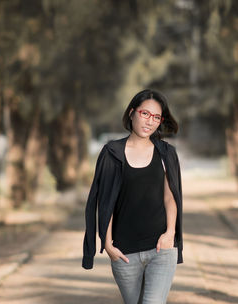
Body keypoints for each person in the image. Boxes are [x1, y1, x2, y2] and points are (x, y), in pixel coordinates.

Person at [82, 89, 183, 303]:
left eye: (156, 117)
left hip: (161, 249)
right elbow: (105, 201)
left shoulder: (166, 153)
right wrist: (108, 244)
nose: (150, 121)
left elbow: (170, 197)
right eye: (145, 114)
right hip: (125, 254)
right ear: (131, 113)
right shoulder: (112, 152)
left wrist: (170, 234)